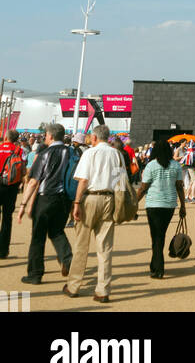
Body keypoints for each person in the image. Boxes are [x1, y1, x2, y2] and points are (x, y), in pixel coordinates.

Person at [63, 123, 124, 302]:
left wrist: (76, 203)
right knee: (105, 247)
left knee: (81, 244)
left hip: (90, 197)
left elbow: (83, 180)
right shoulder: (117, 154)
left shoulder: (90, 153)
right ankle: (103, 290)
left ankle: (74, 285)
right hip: (110, 198)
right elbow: (121, 181)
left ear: (95, 137)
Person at [17, 123, 73, 285]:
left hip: (46, 198)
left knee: (38, 236)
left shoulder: (45, 154)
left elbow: (34, 181)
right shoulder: (71, 152)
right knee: (57, 231)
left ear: (50, 136)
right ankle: (68, 260)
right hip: (65, 199)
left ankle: (35, 273)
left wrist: (23, 204)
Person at [136, 137, 186, 279]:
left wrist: (134, 203)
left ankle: (158, 268)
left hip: (153, 204)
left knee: (156, 236)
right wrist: (183, 206)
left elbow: (143, 188)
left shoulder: (151, 165)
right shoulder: (175, 166)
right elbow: (179, 187)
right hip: (169, 205)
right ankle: (155, 265)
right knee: (161, 234)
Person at [0, 129, 25, 259]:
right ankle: (3, 250)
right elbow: (23, 170)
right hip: (11, 186)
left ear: (6, 137)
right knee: (7, 218)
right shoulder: (19, 151)